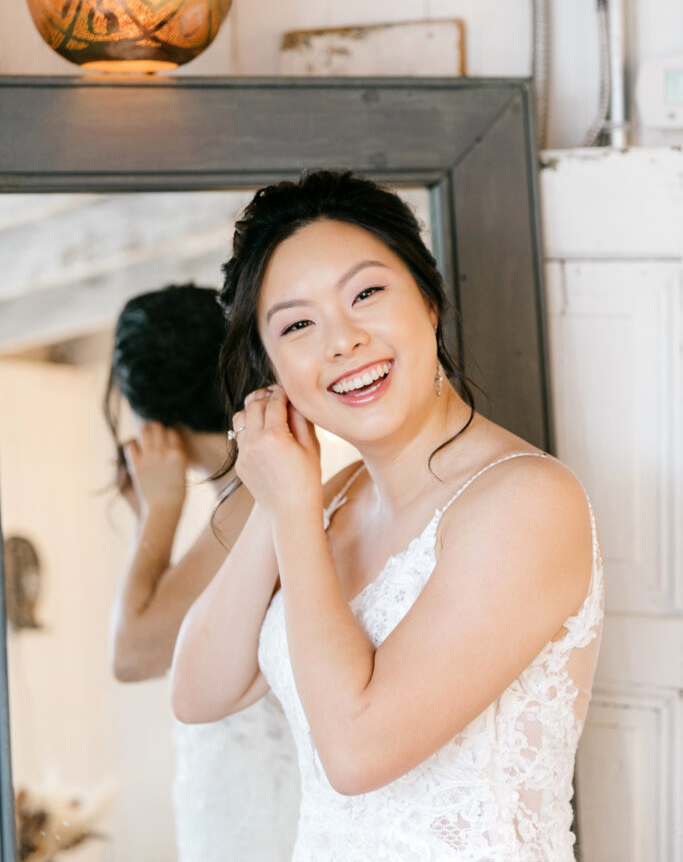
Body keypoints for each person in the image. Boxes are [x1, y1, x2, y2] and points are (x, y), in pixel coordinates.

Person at [171, 172, 605, 861]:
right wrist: (282, 489)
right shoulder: (327, 498)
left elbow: (356, 752)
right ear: (270, 370)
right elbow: (198, 691)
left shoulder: (524, 501)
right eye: (297, 325)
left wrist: (290, 513)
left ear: (428, 302)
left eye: (366, 293)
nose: (340, 341)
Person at [104, 283, 300, 862]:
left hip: (259, 819)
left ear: (148, 415)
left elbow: (132, 654)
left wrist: (157, 516)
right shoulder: (246, 496)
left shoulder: (250, 502)